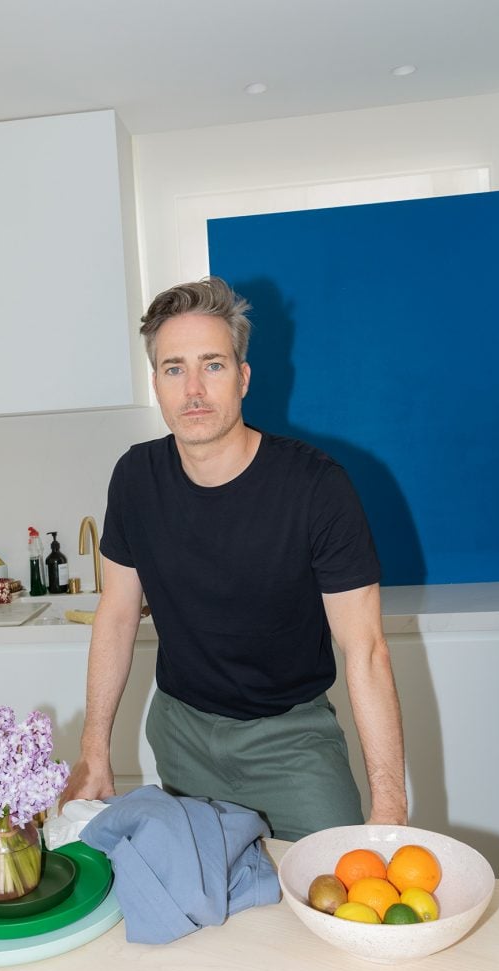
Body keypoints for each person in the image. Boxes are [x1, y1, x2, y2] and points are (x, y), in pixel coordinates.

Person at [61, 277, 407, 840]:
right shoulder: (135, 478)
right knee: (203, 889)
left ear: (243, 377)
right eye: (174, 369)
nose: (194, 389)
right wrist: (95, 749)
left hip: (292, 742)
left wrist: (390, 805)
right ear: (156, 384)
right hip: (182, 736)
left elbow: (365, 650)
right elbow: (118, 614)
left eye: (213, 365)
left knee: (333, 879)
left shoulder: (316, 487)